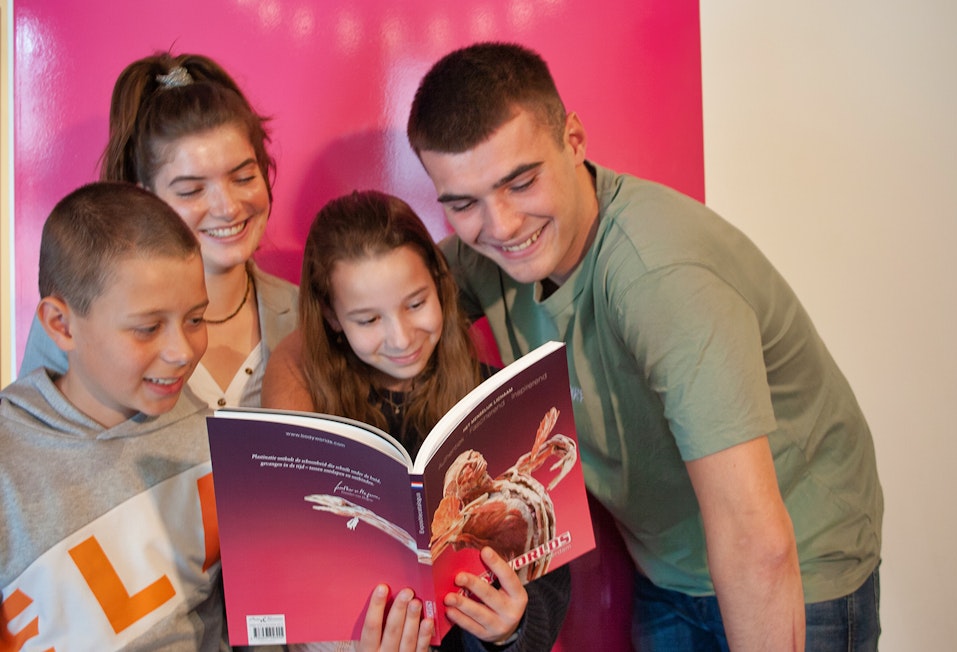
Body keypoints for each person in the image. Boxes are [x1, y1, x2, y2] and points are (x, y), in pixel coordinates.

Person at [405, 42, 884, 651]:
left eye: (521, 182)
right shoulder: (488, 253)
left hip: (799, 561)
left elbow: (756, 539)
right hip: (670, 568)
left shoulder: (659, 276)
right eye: (464, 204)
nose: (499, 226)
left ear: (574, 141)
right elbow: (357, 305)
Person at [262, 190, 570, 651]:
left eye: (416, 303)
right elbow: (275, 597)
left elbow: (548, 576)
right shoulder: (306, 416)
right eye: (367, 319)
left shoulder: (498, 398)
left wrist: (513, 629)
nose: (401, 337)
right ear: (331, 317)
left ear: (440, 283)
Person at [1, 182, 224, 648]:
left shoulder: (218, 446)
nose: (182, 351)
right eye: (147, 328)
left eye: (196, 319)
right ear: (61, 324)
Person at [19, 51, 297, 410]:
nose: (227, 207)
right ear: (145, 196)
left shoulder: (306, 314)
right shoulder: (83, 321)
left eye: (244, 177)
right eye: (191, 190)